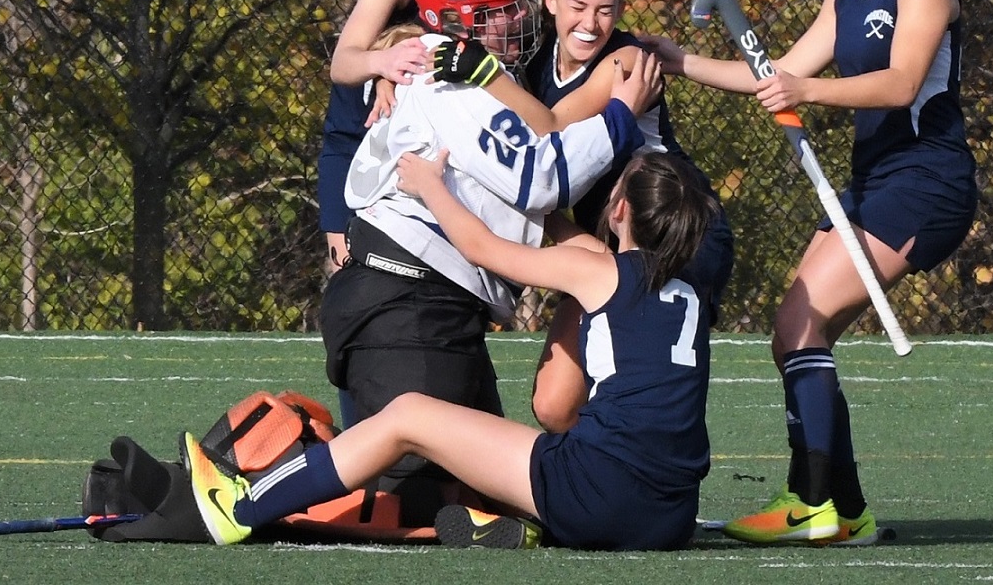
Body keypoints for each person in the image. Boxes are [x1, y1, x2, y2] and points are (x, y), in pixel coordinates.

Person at [643, 0, 977, 546]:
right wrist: (676, 60)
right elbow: (782, 72)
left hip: (926, 184)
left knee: (800, 322)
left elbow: (901, 84)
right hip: (874, 182)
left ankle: (815, 502)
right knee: (794, 330)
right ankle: (840, 508)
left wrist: (808, 93)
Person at [181, 150, 722, 551]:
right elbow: (582, 248)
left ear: (619, 207)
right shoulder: (693, 287)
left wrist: (430, 184)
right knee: (545, 452)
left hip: (597, 496)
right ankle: (518, 523)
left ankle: (241, 507)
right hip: (670, 519)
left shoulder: (596, 270)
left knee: (409, 415)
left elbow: (481, 249)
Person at [319, 0, 661, 528]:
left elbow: (527, 156)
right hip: (407, 306)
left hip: (432, 304)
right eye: (503, 6)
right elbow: (538, 177)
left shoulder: (467, 68)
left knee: (501, 502)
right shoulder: (453, 77)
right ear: (463, 15)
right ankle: (246, 478)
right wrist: (620, 119)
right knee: (412, 509)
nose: (520, 15)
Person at [474, 0, 734, 432]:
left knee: (643, 390)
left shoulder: (627, 60)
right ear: (550, 2)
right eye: (577, 7)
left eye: (605, 10)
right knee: (554, 406)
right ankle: (596, 480)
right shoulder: (530, 62)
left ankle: (650, 487)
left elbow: (551, 126)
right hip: (611, 244)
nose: (590, 23)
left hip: (675, 234)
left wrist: (479, 71)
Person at [318, 0, 528, 275]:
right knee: (356, 291)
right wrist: (385, 64)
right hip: (365, 153)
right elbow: (343, 63)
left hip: (442, 164)